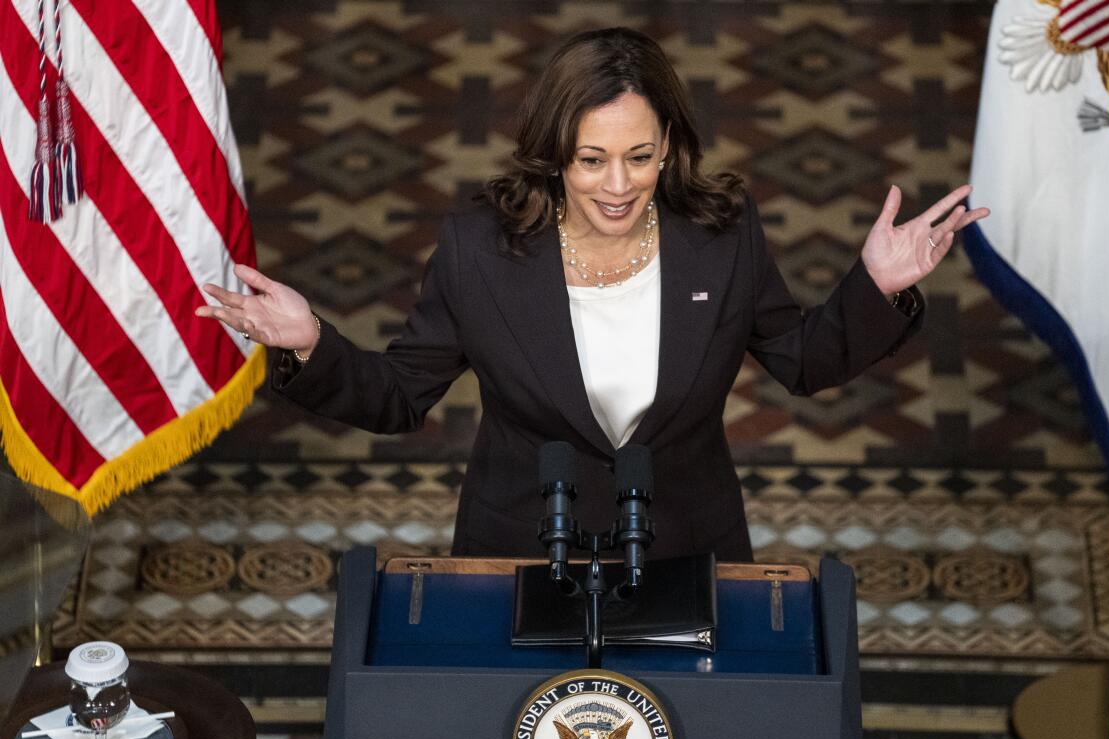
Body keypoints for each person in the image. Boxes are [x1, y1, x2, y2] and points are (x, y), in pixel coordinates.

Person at [196, 27, 988, 562]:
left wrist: (877, 285)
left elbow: (803, 359)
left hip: (687, 549)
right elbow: (400, 396)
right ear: (552, 156)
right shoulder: (480, 247)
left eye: (640, 157)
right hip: (522, 550)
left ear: (669, 144)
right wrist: (309, 344)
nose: (617, 186)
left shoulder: (721, 234)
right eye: (590, 160)